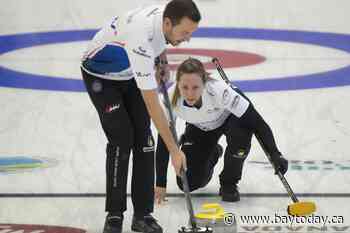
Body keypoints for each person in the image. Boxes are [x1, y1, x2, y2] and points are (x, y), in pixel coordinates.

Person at [80, 1, 201, 233]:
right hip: (101, 77)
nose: (188, 39)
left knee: (145, 142)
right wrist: (175, 151)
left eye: (191, 33)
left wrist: (162, 59)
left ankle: (143, 215)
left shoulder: (168, 13)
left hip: (129, 73)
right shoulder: (141, 40)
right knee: (122, 138)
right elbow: (153, 105)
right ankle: (115, 215)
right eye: (185, 33)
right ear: (168, 23)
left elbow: (159, 41)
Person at [155, 58, 288, 204]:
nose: (190, 93)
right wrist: (161, 183)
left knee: (241, 138)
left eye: (195, 87)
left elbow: (257, 122)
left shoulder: (219, 91)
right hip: (200, 126)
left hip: (229, 118)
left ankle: (229, 183)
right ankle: (213, 152)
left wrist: (275, 153)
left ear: (204, 84)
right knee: (187, 183)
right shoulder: (170, 99)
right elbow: (164, 139)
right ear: (178, 84)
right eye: (184, 87)